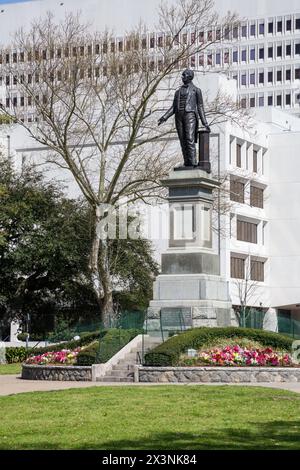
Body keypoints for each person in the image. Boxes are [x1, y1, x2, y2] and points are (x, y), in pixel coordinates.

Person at [158, 69, 211, 167]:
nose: (182, 77)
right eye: (182, 75)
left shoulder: (196, 90)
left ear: (190, 77)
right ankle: (187, 162)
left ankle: (193, 162)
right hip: (179, 115)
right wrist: (164, 117)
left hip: (190, 115)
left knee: (189, 138)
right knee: (182, 139)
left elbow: (200, 107)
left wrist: (205, 122)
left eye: (184, 75)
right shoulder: (178, 91)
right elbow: (173, 107)